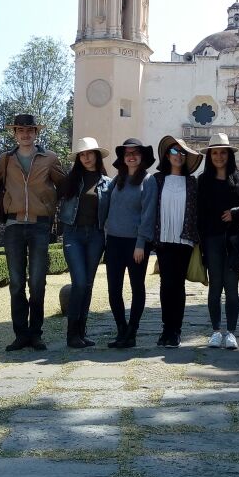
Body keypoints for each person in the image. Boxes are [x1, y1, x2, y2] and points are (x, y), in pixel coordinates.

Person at [0, 113, 66, 352]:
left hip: (40, 226)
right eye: (20, 131)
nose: (25, 134)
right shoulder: (5, 160)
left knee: (38, 282)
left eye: (30, 131)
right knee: (16, 283)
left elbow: (64, 186)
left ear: (36, 133)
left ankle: (36, 334)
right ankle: (20, 334)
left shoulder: (50, 158)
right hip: (13, 226)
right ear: (14, 134)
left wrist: (48, 202)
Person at [197, 132, 239, 350]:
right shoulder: (203, 181)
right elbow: (199, 214)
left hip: (234, 241)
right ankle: (215, 331)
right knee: (215, 287)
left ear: (229, 154)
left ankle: (231, 331)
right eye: (215, 153)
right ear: (210, 156)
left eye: (223, 152)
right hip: (211, 240)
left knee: (231, 287)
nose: (219, 156)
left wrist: (236, 214)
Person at [101, 138, 157, 349]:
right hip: (114, 241)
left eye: (135, 153)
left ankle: (132, 331)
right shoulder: (117, 180)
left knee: (137, 287)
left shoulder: (148, 181)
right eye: (127, 154)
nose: (131, 156)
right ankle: (121, 330)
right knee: (113, 289)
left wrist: (141, 243)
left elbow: (148, 213)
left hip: (136, 243)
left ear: (142, 157)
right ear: (123, 159)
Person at [57, 137, 112, 349]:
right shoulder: (70, 180)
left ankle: (82, 333)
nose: (86, 157)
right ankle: (72, 334)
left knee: (87, 285)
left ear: (97, 156)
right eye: (82, 154)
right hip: (73, 235)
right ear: (78, 158)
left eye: (89, 153)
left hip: (96, 236)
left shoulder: (107, 183)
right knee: (79, 282)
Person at [153, 135, 203, 348]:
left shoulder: (192, 183)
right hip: (163, 237)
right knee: (166, 284)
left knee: (178, 285)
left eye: (183, 153)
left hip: (184, 239)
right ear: (167, 155)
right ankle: (166, 328)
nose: (179, 156)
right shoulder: (157, 180)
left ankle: (176, 330)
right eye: (175, 151)